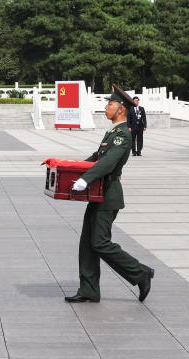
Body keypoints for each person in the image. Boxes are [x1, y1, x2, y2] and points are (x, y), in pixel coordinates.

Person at [64, 84, 154, 304]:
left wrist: (85, 179)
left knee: (100, 242)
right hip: (98, 193)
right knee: (88, 243)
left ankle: (141, 272)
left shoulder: (123, 135)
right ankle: (89, 289)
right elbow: (97, 157)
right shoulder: (113, 132)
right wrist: (72, 168)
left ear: (121, 109)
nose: (106, 107)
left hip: (108, 195)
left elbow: (109, 162)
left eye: (110, 104)